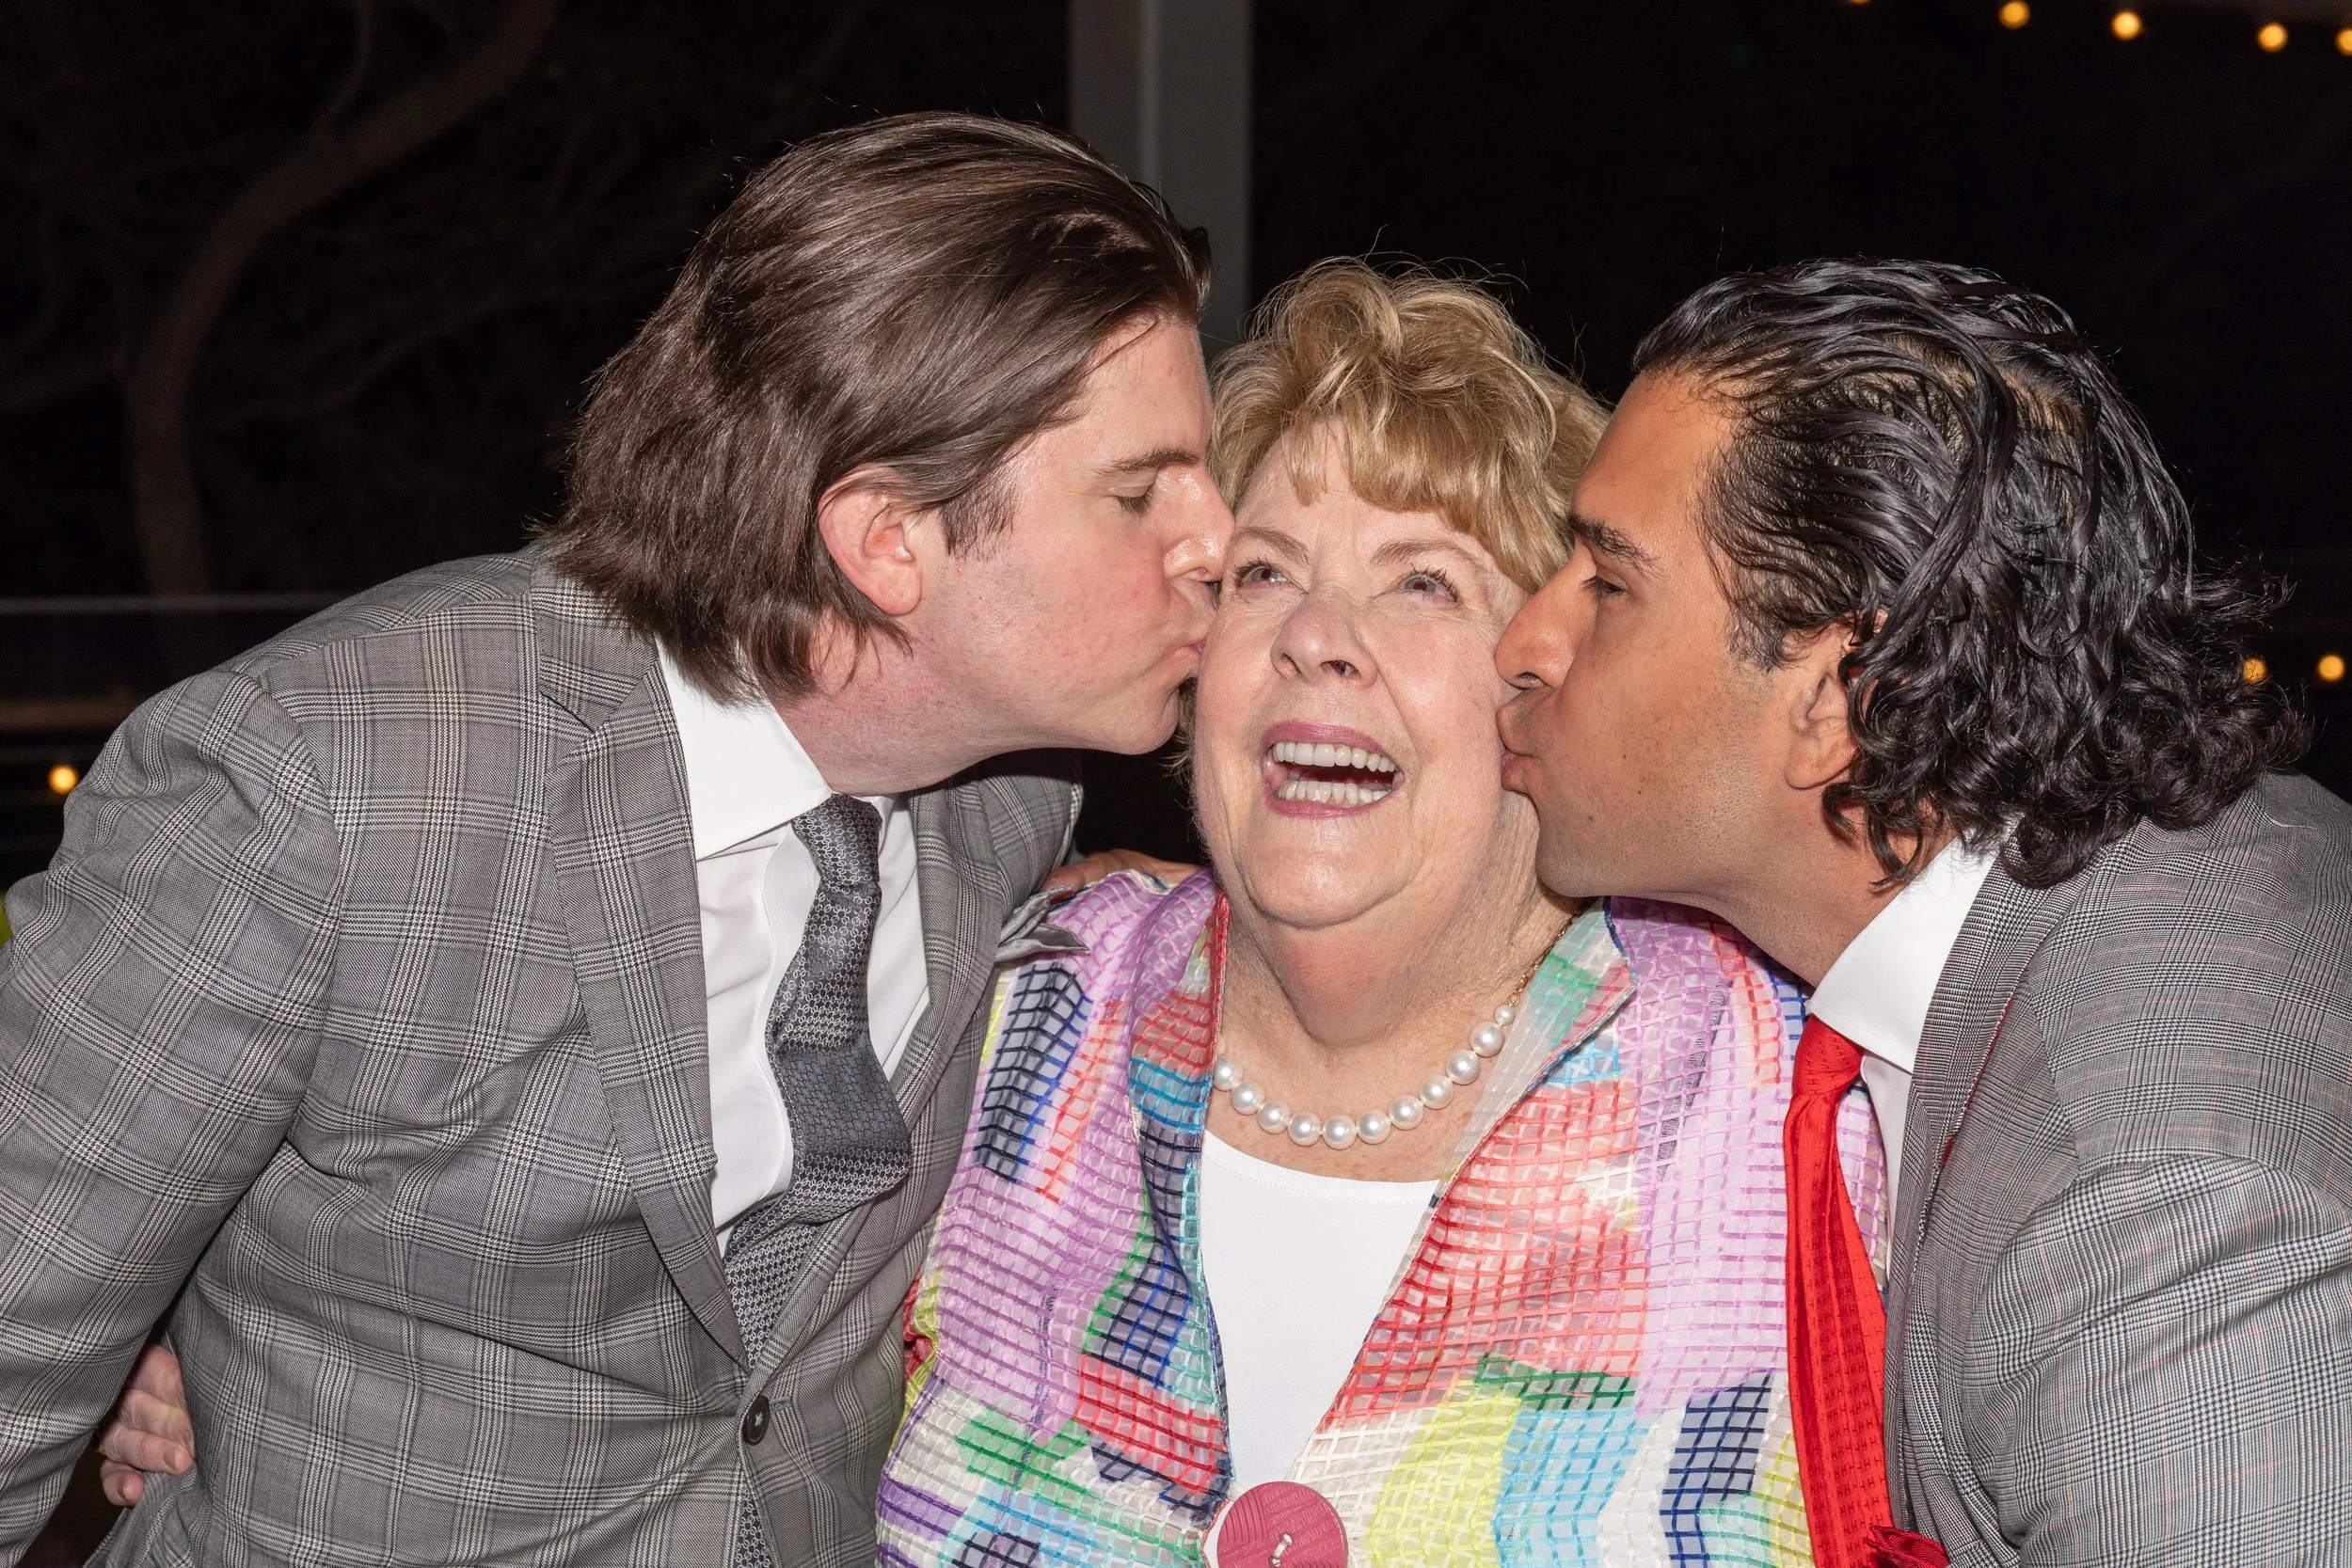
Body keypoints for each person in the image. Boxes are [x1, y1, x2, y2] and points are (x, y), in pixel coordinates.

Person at [0, 113, 1231, 1568]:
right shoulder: (315, 786)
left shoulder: (1010, 803)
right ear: (886, 539)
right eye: (1141, 491)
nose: (1218, 538)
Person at [874, 261, 1882, 1567]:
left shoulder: (1789, 1094)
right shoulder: (1007, 1018)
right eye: (1262, 574)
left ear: (1551, 680)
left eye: (1424, 585)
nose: (1316, 636)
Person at [1495, 258, 2352, 1566]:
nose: (1526, 642)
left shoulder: (2151, 1208)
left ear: (1842, 698)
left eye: (1608, 586)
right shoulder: (2162, 872)